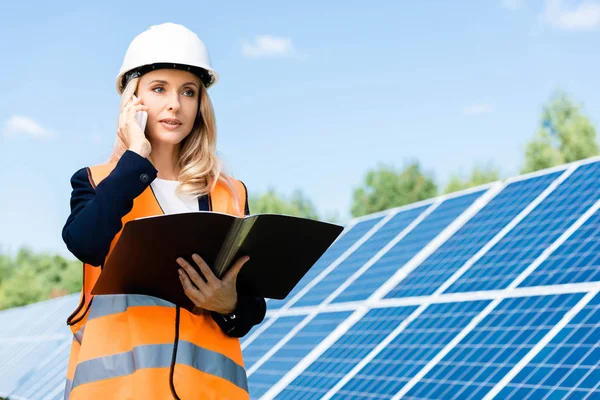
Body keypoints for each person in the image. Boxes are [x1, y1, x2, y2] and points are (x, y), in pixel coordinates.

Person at [61, 22, 266, 399]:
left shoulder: (230, 194)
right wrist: (134, 157)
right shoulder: (98, 181)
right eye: (159, 89)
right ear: (131, 101)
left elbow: (251, 306)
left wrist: (230, 304)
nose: (175, 104)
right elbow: (85, 243)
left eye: (188, 92)